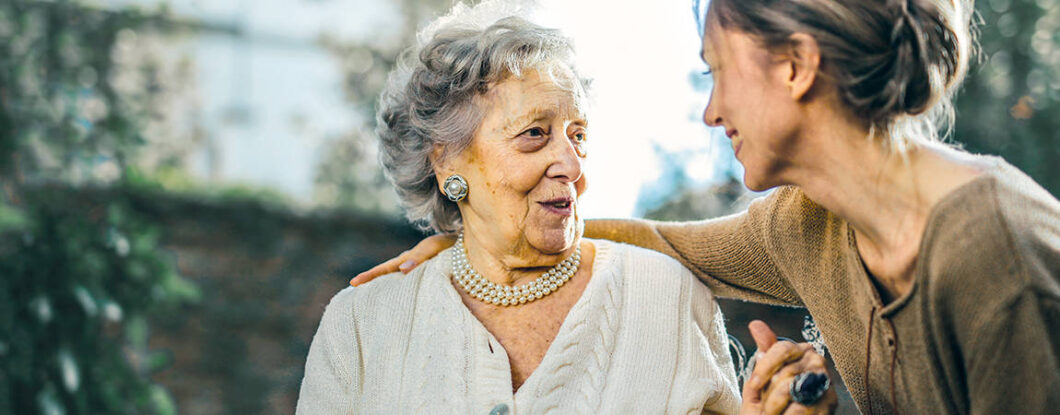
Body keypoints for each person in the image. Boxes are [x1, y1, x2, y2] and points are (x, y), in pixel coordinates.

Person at [352, 0, 1060, 414]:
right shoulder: (806, 225)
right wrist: (484, 237)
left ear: (795, 66)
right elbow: (663, 241)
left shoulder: (995, 251)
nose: (711, 110)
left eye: (717, 72)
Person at [296, 5, 760, 413]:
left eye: (577, 135)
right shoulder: (362, 324)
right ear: (447, 160)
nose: (572, 164)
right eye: (535, 134)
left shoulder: (668, 298)